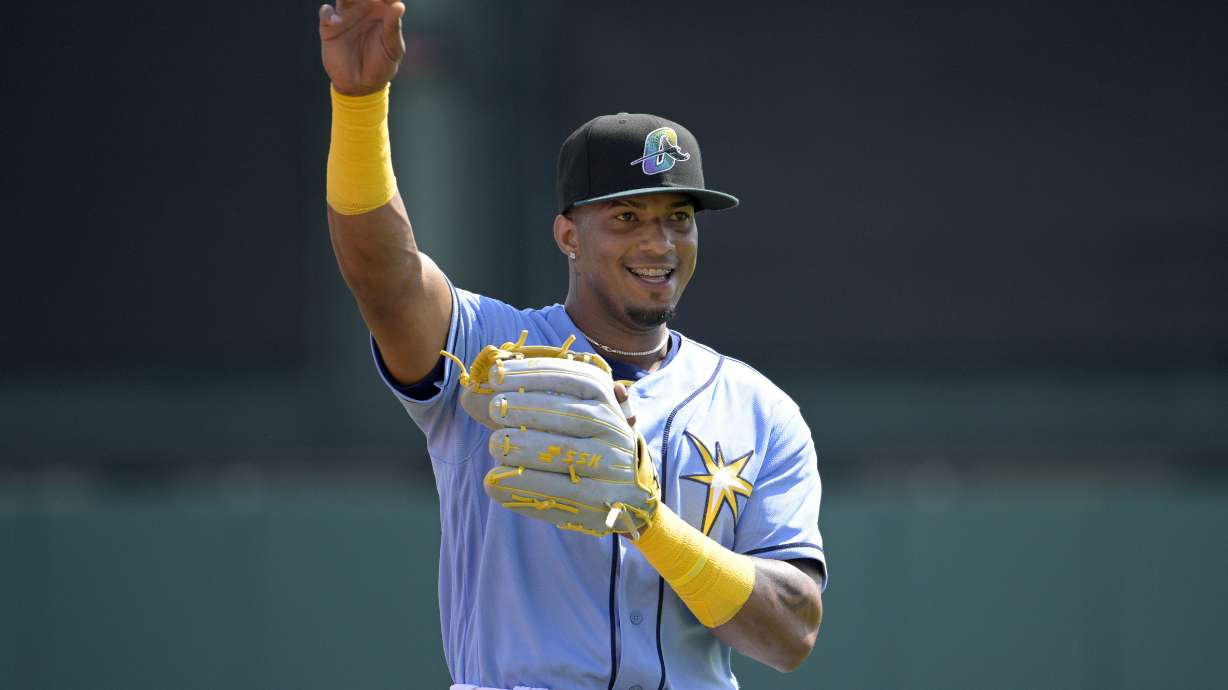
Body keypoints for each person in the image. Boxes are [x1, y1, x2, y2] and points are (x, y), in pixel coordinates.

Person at [319, 2, 825, 689]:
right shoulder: (487, 346)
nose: (659, 243)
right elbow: (383, 274)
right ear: (568, 236)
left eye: (679, 219)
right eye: (626, 217)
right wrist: (358, 105)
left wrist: (652, 524)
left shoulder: (759, 410)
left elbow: (792, 630)